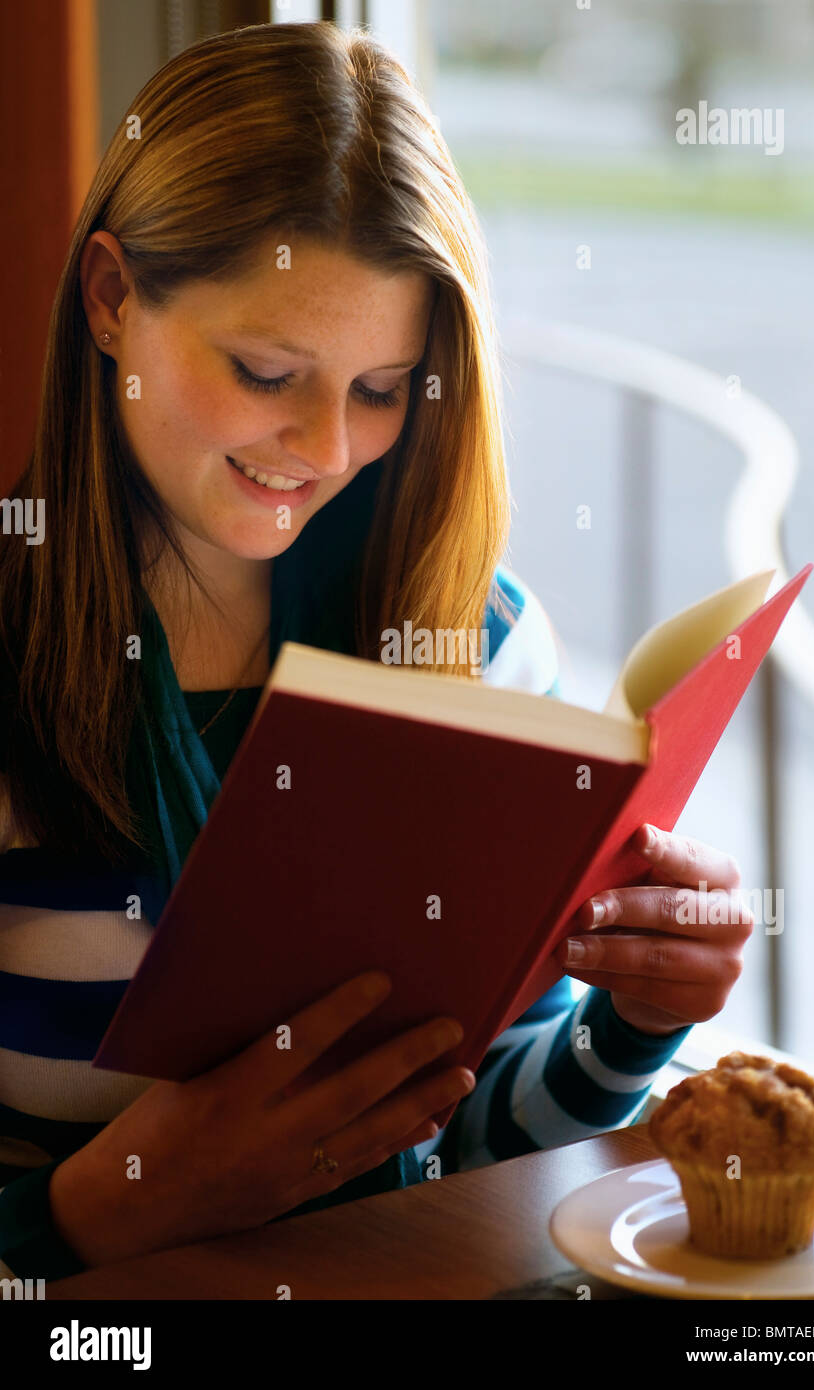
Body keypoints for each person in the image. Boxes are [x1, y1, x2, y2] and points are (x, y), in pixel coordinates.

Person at [0, 21, 752, 1283]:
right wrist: (97, 1213)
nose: (328, 448)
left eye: (383, 387)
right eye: (267, 369)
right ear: (112, 298)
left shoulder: (475, 638)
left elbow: (470, 1128)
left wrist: (632, 1023)